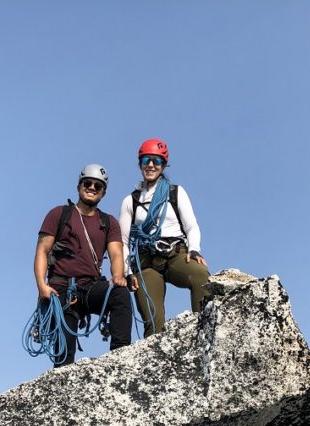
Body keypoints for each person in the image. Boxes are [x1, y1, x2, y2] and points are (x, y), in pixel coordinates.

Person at [33, 164, 133, 367]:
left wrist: (118, 275)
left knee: (119, 295)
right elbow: (42, 251)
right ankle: (61, 387)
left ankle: (120, 359)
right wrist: (41, 286)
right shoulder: (59, 214)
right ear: (79, 186)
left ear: (103, 193)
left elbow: (116, 253)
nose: (92, 187)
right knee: (64, 357)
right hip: (61, 288)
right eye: (88, 183)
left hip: (91, 287)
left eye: (98, 186)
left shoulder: (108, 222)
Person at [119, 138, 209, 336]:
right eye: (146, 161)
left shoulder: (175, 192)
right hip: (146, 260)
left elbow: (191, 226)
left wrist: (194, 249)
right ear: (140, 164)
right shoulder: (130, 201)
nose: (151, 165)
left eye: (156, 161)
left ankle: (205, 333)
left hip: (175, 253)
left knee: (201, 276)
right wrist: (127, 272)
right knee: (152, 320)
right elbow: (123, 241)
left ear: (164, 164)